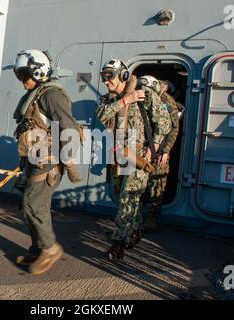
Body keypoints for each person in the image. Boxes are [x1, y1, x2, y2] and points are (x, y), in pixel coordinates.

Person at [12, 49, 82, 275]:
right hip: (35, 160)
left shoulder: (51, 95)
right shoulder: (37, 95)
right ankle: (37, 250)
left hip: (49, 162)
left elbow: (69, 129)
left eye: (25, 75)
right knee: (30, 206)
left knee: (32, 205)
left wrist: (67, 162)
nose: (23, 81)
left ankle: (50, 249)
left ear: (39, 72)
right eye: (19, 76)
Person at [96, 59, 170, 261]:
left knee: (128, 199)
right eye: (104, 76)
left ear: (123, 75)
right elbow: (101, 116)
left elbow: (165, 123)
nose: (106, 81)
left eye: (110, 76)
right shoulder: (109, 100)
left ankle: (117, 245)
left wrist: (153, 148)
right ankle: (135, 230)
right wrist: (125, 100)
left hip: (138, 159)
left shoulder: (144, 95)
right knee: (121, 198)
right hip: (119, 157)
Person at [143, 79, 182, 232]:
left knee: (156, 186)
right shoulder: (144, 97)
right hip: (144, 147)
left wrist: (166, 151)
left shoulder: (167, 101)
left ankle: (152, 218)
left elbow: (174, 128)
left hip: (160, 150)